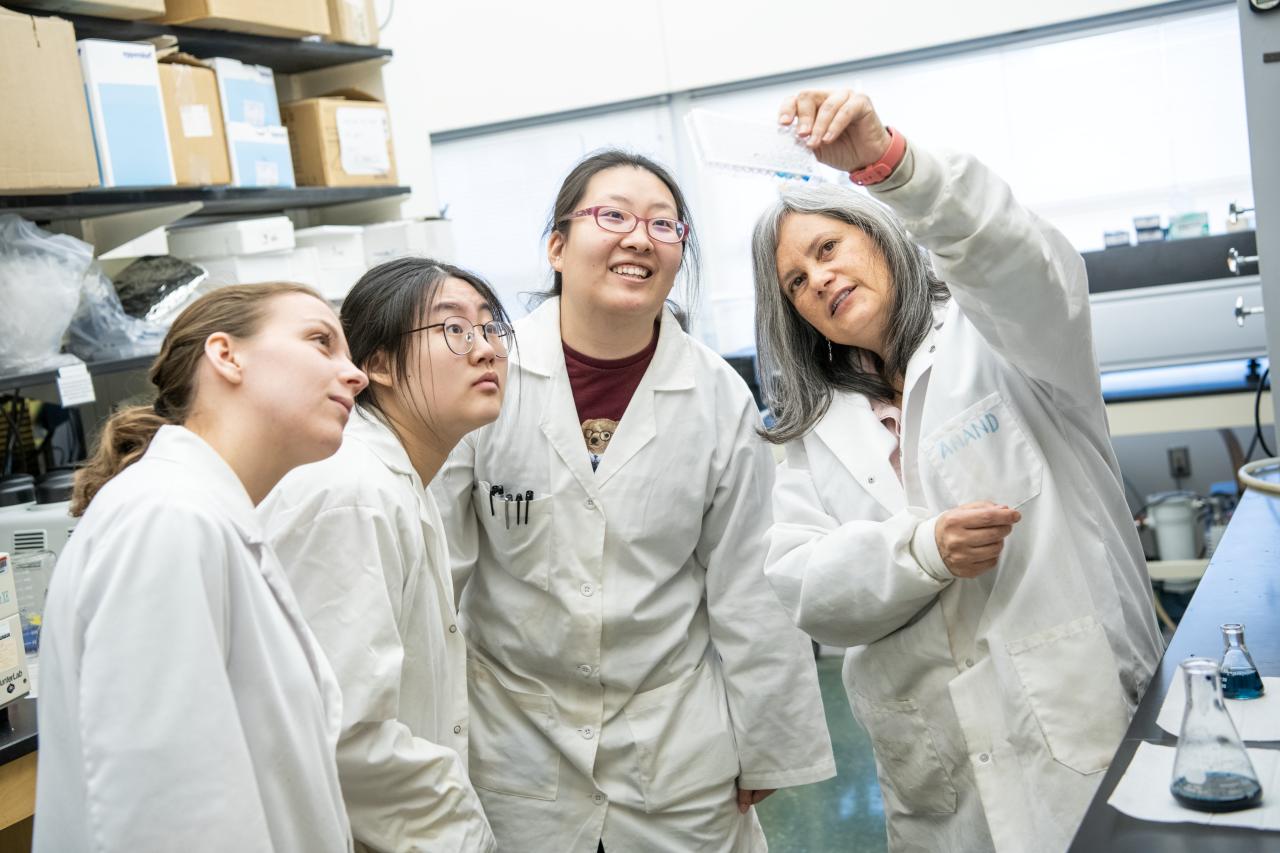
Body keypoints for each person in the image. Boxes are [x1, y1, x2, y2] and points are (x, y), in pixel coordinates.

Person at [752, 89, 1164, 853]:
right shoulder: (813, 431)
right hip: (937, 778)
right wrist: (922, 550)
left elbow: (1011, 253)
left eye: (827, 249)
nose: (818, 282)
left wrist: (892, 166)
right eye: (796, 284)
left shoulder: (1002, 335)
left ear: (876, 232)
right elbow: (806, 589)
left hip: (1081, 725)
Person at [431, 149, 836, 852]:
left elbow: (746, 582)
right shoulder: (486, 375)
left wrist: (768, 741)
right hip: (518, 743)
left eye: (664, 224)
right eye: (612, 215)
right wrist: (428, 742)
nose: (639, 237)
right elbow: (437, 576)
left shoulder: (713, 395)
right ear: (557, 246)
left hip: (675, 744)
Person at [34, 283, 367, 853]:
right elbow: (167, 812)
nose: (356, 374)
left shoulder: (204, 514)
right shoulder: (167, 518)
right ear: (226, 355)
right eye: (321, 341)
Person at [260, 259, 511, 853]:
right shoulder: (353, 492)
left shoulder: (393, 480)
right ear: (376, 365)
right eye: (453, 329)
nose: (485, 351)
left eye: (491, 326)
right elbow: (347, 731)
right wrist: (466, 839)